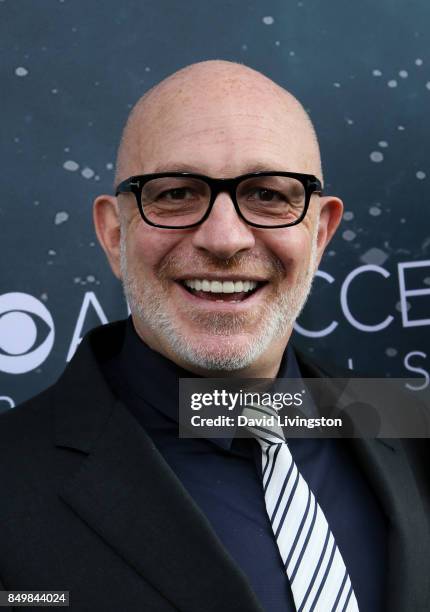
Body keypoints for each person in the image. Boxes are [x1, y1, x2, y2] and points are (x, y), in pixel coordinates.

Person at [0, 60, 428, 612]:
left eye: (269, 194)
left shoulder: (408, 428)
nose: (225, 238)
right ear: (113, 233)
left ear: (319, 233)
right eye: (176, 193)